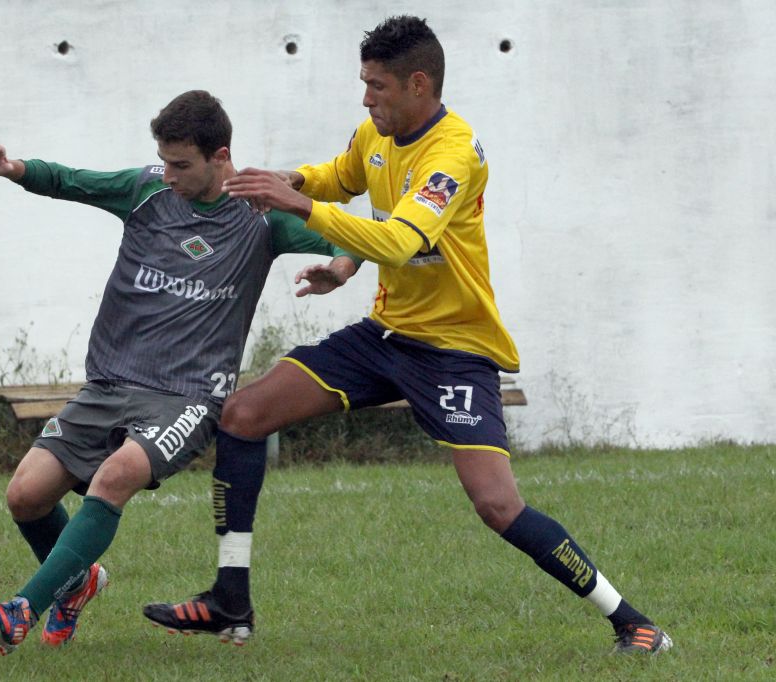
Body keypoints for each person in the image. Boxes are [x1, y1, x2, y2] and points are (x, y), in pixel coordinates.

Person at [143, 17, 672, 655]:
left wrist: (297, 206)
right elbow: (342, 175)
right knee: (244, 413)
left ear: (418, 84)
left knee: (497, 507)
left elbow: (403, 238)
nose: (366, 98)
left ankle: (633, 622)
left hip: (455, 351)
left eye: (377, 86)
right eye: (364, 84)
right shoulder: (378, 133)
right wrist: (294, 185)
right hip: (387, 336)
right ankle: (230, 602)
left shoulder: (453, 153)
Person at [0, 90, 360, 655]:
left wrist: (340, 269)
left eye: (182, 165)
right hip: (109, 384)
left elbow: (353, 236)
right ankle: (77, 584)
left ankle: (23, 608)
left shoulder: (261, 216)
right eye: (165, 161)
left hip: (189, 397)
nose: (169, 174)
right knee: (25, 497)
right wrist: (11, 169)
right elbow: (74, 181)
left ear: (220, 156)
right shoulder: (148, 189)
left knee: (114, 477)